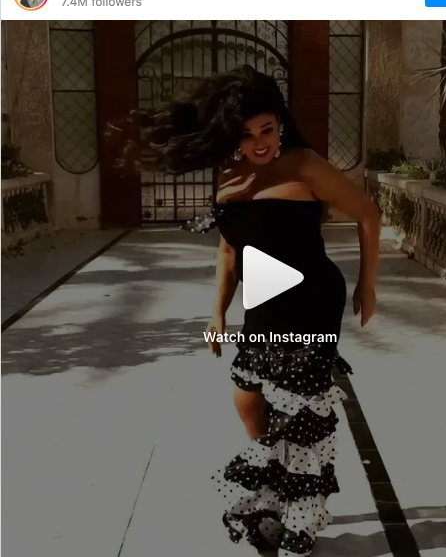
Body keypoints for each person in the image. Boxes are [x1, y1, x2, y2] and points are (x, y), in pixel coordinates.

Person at [115, 65, 380, 557]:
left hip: (311, 302)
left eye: (267, 130)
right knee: (247, 399)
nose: (259, 143)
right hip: (263, 298)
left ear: (280, 123)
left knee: (301, 410)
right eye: (247, 134)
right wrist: (216, 312)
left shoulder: (305, 166)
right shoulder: (229, 175)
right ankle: (279, 481)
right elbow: (228, 250)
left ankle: (298, 509)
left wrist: (368, 284)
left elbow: (367, 212)